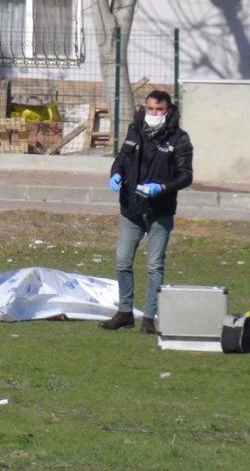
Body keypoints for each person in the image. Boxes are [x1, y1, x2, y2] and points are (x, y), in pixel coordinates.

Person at [101, 90, 193, 334]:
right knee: (122, 261)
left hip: (160, 211)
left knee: (154, 265)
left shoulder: (179, 139)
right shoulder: (136, 130)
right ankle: (124, 312)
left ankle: (149, 318)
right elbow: (121, 158)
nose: (153, 114)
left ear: (168, 111)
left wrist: (162, 188)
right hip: (131, 209)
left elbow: (186, 176)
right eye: (150, 109)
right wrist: (116, 174)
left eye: (159, 110)